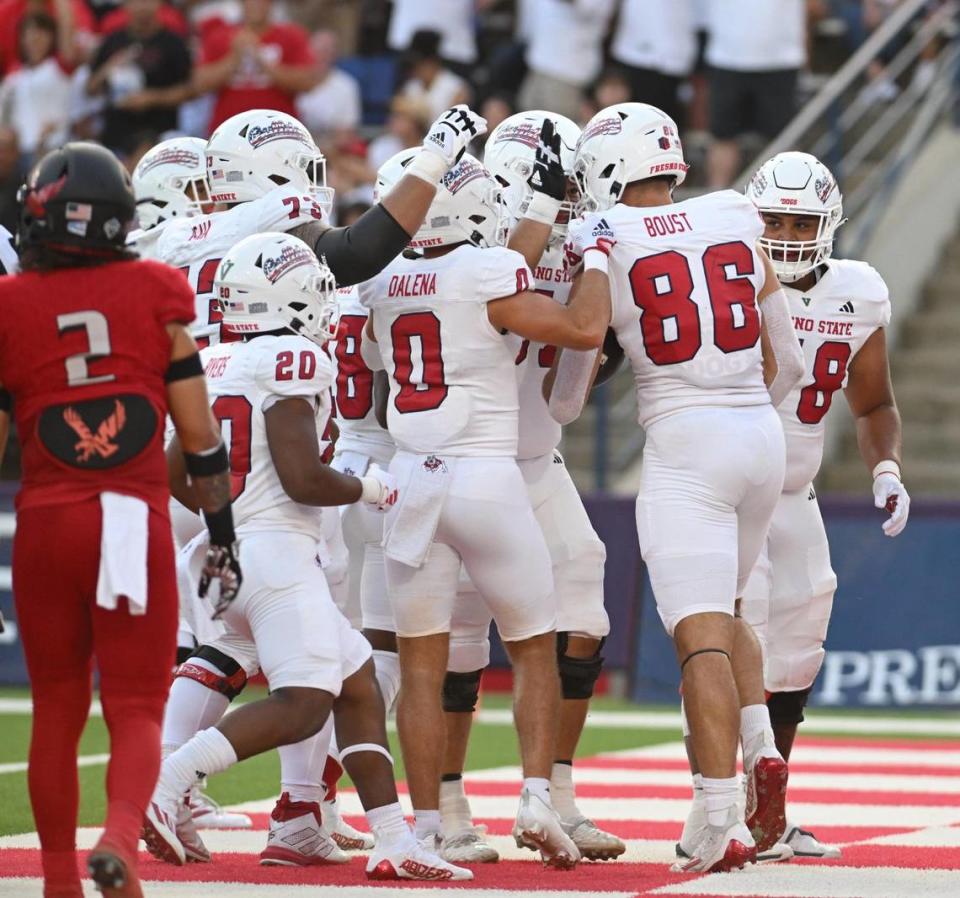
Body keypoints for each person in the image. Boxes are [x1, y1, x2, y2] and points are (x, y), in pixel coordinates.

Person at [142, 231, 472, 883]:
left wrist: (226, 519)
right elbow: (302, 477)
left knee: (355, 687)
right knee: (304, 703)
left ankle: (392, 839)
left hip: (224, 551)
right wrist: (373, 486)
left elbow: (173, 470)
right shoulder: (290, 359)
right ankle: (168, 778)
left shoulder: (213, 362)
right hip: (276, 556)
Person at [553, 102, 805, 873]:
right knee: (729, 616)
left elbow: (568, 398)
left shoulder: (603, 235)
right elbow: (787, 359)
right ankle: (762, 747)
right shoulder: (734, 211)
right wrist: (745, 408)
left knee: (698, 642)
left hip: (687, 440)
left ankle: (716, 812)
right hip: (761, 436)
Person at [0, 141, 240, 898]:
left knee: (56, 711)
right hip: (130, 521)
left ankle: (61, 882)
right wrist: (224, 531)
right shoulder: (158, 290)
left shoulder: (9, 305)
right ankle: (120, 841)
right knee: (137, 704)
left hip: (46, 520)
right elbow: (200, 438)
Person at [359, 140, 607, 869]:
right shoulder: (487, 273)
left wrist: (536, 208)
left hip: (411, 480)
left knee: (424, 667)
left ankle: (429, 828)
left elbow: (481, 270)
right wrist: (594, 257)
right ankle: (536, 796)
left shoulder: (378, 280)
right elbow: (582, 329)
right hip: (486, 479)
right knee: (534, 645)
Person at [436, 109, 622, 865]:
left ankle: (559, 797)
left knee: (585, 610)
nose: (564, 199)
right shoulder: (476, 242)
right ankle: (444, 807)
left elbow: (568, 399)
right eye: (553, 186)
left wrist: (591, 301)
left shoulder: (573, 248)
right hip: (467, 455)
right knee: (454, 642)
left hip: (536, 461)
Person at [733, 151, 908, 860]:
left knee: (801, 642)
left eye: (799, 220)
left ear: (828, 223)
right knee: (738, 639)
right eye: (773, 217)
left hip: (794, 491)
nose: (784, 231)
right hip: (732, 489)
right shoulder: (726, 282)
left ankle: (767, 815)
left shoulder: (857, 292)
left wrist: (887, 467)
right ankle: (716, 803)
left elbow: (873, 402)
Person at [702, 0, 807, 187]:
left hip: (780, 59)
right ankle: (715, 204)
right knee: (723, 138)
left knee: (784, 142)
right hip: (727, 56)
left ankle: (788, 203)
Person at [85, 0, 193, 159]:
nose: (142, 6)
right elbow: (90, 88)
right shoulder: (112, 41)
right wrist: (109, 67)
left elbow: (189, 90)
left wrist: (152, 98)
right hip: (116, 140)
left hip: (161, 140)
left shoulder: (173, 43)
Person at [194, 0, 317, 134]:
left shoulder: (291, 36)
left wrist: (262, 60)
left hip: (279, 132)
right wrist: (234, 59)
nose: (256, 4)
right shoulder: (219, 36)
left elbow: (307, 82)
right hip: (229, 132)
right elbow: (199, 84)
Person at [518, 0, 617, 122]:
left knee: (559, 128)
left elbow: (588, 8)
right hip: (538, 63)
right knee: (527, 122)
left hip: (567, 71)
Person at [0, 12, 72, 160]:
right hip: (16, 154)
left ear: (52, 37)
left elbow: (68, 29)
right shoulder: (13, 76)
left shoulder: (59, 66)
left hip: (52, 149)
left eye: (41, 33)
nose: (35, 38)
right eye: (29, 33)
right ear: (21, 39)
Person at [295, 29, 362, 138]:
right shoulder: (292, 79)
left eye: (327, 51)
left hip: (329, 149)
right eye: (318, 51)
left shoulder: (347, 85)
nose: (321, 56)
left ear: (335, 55)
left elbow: (347, 132)